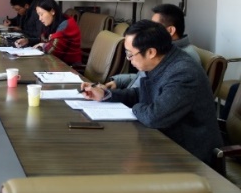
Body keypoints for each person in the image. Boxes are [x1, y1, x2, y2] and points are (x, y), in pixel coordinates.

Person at [82, 20, 223, 165]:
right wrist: (106, 95)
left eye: (130, 54)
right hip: (165, 142)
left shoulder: (183, 73)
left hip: (190, 158)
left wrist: (136, 107)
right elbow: (142, 94)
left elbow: (154, 117)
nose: (128, 59)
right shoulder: (163, 61)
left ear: (151, 52)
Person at [106, 3, 200, 90]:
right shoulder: (163, 49)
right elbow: (145, 76)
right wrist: (118, 81)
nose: (150, 29)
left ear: (170, 31)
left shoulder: (184, 59)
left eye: (155, 26)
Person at [16, 0, 82, 64]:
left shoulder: (65, 25)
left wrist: (43, 45)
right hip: (55, 64)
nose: (40, 18)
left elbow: (52, 49)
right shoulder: (52, 24)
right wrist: (28, 41)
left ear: (52, 11)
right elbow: (46, 40)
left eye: (41, 14)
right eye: (38, 15)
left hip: (69, 66)